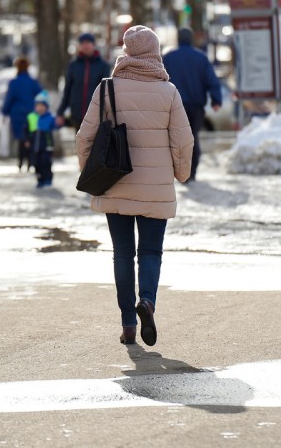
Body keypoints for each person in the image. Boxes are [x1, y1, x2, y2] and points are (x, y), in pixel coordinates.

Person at [76, 25, 193, 347]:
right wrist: (180, 174)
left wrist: (90, 174)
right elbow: (184, 142)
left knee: (123, 253)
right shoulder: (169, 92)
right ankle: (149, 302)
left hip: (115, 182)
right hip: (155, 187)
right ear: (155, 53)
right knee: (151, 251)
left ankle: (128, 323)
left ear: (127, 53)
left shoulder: (106, 90)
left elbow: (84, 137)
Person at [162, 27, 222, 182]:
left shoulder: (168, 57)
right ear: (191, 39)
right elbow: (212, 80)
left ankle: (178, 173)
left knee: (175, 140)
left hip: (174, 107)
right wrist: (216, 100)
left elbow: (160, 81)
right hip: (196, 107)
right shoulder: (201, 58)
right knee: (192, 138)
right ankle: (191, 172)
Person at [57, 33, 111, 132]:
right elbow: (67, 89)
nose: (85, 45)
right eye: (82, 43)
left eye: (88, 43)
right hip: (77, 113)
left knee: (96, 145)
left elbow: (107, 91)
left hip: (96, 114)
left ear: (93, 45)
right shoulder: (73, 65)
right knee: (80, 144)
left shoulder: (103, 65)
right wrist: (60, 112)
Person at [2, 57, 42, 170]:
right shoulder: (33, 82)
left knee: (21, 138)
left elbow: (9, 98)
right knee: (30, 137)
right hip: (32, 114)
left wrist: (5, 112)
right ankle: (30, 162)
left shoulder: (14, 83)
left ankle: (20, 162)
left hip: (17, 114)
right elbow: (41, 95)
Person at [25, 91, 58, 188]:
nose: (39, 108)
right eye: (38, 105)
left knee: (46, 162)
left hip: (47, 146)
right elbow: (26, 130)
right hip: (34, 146)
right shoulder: (31, 117)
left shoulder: (50, 117)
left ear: (46, 107)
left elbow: (55, 126)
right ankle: (40, 180)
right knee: (36, 163)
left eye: (42, 106)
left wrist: (58, 122)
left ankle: (48, 179)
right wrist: (27, 140)